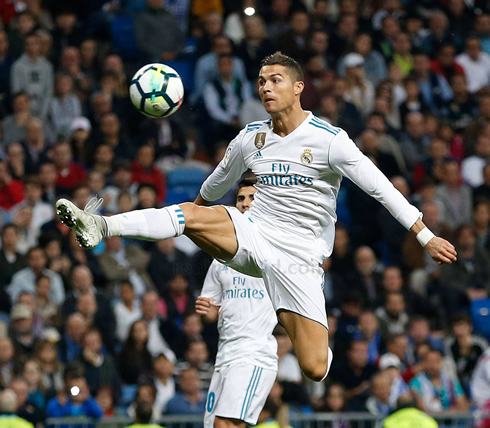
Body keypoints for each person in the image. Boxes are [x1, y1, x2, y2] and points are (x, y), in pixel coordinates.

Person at [56, 52, 457, 383]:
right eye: (262, 81)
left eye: (276, 80)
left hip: (300, 259)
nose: (266, 87)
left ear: (298, 87)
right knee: (193, 213)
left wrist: (425, 236)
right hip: (255, 232)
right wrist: (191, 218)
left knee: (315, 368)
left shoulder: (330, 140)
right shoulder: (251, 138)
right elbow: (212, 188)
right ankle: (101, 225)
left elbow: (381, 187)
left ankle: (287, 311)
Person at [197, 178, 279, 428]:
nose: (245, 204)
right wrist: (205, 310)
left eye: (252, 198)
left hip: (253, 352)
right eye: (241, 199)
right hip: (225, 354)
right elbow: (213, 311)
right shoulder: (220, 259)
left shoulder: (276, 251)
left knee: (225, 424)